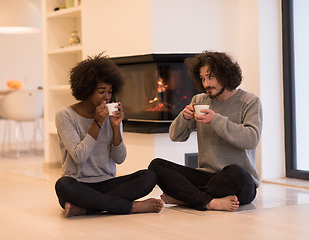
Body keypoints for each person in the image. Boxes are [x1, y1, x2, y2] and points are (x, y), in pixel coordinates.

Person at [148, 51, 263, 212]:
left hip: (237, 181)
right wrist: (184, 117)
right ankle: (209, 202)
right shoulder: (199, 100)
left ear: (225, 75)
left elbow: (251, 139)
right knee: (156, 165)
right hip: (206, 177)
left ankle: (187, 198)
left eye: (210, 77)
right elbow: (175, 136)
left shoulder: (250, 101)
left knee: (236, 172)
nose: (206, 84)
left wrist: (215, 120)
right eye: (202, 78)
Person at [55, 53, 164, 217]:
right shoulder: (65, 115)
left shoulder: (112, 115)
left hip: (108, 182)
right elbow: (79, 156)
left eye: (110, 91)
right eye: (101, 91)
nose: (107, 97)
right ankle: (131, 207)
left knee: (149, 177)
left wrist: (115, 127)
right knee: (62, 185)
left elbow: (119, 159)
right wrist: (97, 123)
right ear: (86, 90)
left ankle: (88, 208)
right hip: (78, 184)